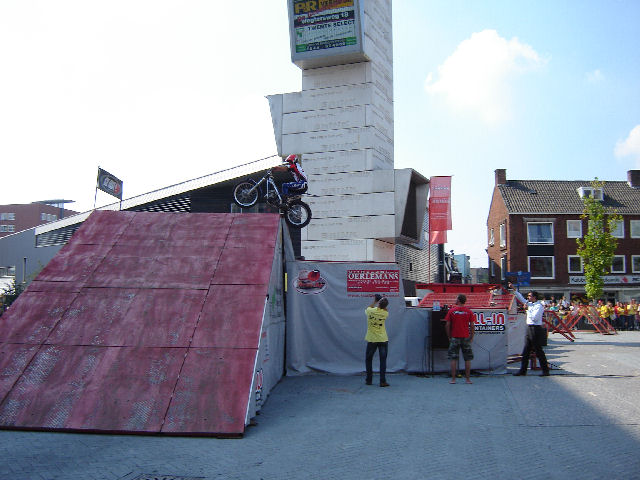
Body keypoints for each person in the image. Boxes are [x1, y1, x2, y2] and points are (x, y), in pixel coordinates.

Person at [509, 284, 550, 376]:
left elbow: (535, 318)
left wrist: (527, 310)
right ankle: (523, 370)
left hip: (535, 329)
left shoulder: (539, 306)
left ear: (534, 297)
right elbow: (521, 299)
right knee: (526, 351)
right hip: (529, 328)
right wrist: (514, 289)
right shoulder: (530, 304)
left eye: (529, 296)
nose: (528, 297)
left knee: (538, 350)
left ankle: (545, 370)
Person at [444, 294, 475, 384]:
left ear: (458, 300)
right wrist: (472, 336)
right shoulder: (469, 312)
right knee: (467, 359)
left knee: (453, 359)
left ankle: (453, 379)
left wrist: (449, 336)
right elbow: (472, 325)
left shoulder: (452, 311)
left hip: (455, 337)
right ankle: (467, 379)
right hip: (465, 337)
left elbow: (447, 325)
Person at [364, 294, 391, 387]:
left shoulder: (370, 311)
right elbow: (385, 309)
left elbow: (369, 308)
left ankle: (369, 380)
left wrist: (375, 301)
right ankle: (382, 381)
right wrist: (382, 303)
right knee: (383, 360)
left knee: (368, 359)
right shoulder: (385, 313)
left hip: (372, 339)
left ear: (378, 303)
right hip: (383, 339)